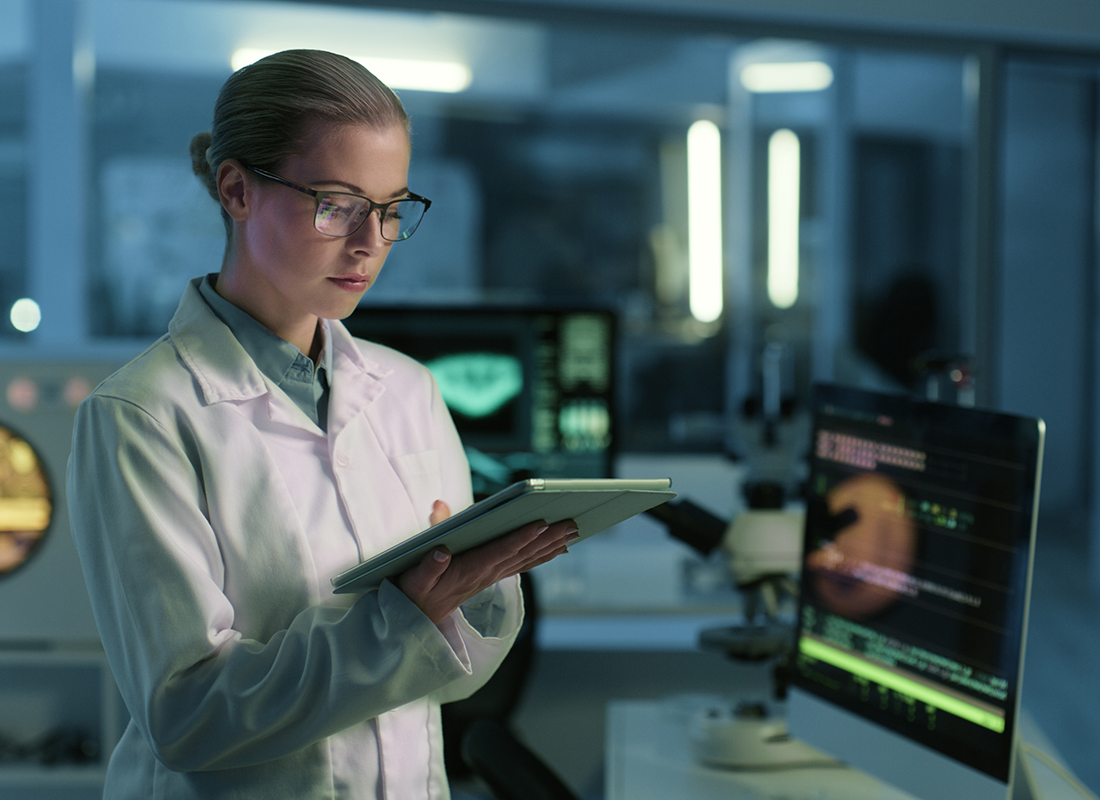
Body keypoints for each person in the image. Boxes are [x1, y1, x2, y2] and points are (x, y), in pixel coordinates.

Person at [66, 49, 577, 800]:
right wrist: (405, 619)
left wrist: (473, 588)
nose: (371, 241)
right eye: (336, 203)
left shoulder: (406, 392)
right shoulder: (143, 416)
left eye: (393, 208)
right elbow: (187, 717)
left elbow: (454, 675)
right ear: (236, 190)